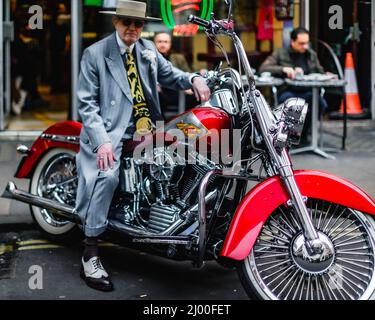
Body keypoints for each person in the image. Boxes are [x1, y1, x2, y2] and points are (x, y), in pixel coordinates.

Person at [75, 0, 210, 292]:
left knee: (196, 153)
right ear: (115, 22)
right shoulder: (95, 54)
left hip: (149, 128)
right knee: (108, 174)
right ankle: (90, 249)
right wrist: (102, 143)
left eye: (138, 24)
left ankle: (172, 222)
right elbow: (86, 105)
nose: (133, 28)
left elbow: (172, 75)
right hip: (112, 131)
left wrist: (195, 78)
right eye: (127, 22)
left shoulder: (148, 50)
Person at [259, 27, 330, 143]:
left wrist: (326, 75)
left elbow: (320, 71)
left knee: (321, 103)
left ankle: (304, 132)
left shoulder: (310, 54)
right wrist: (284, 69)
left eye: (307, 43)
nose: (305, 46)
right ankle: (289, 137)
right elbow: (263, 68)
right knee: (292, 104)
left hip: (308, 91)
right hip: (288, 91)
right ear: (292, 42)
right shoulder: (281, 53)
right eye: (301, 43)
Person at [154, 32, 206, 116]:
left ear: (170, 44)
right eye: (159, 41)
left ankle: (188, 122)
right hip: (161, 92)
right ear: (154, 43)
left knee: (197, 96)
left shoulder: (178, 58)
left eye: (165, 42)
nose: (163, 44)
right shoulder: (150, 57)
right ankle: (160, 126)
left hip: (178, 89)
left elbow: (187, 73)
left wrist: (198, 74)